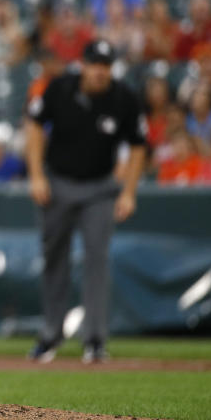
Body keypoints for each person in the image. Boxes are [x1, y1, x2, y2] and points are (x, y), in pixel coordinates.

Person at [26, 39, 146, 364]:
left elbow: (138, 145)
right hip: (59, 183)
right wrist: (36, 175)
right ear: (83, 64)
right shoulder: (59, 88)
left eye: (105, 65)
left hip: (100, 188)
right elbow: (34, 126)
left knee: (97, 261)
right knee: (54, 259)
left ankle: (94, 339)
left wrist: (129, 192)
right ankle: (51, 334)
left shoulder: (123, 98)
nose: (99, 71)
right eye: (95, 64)